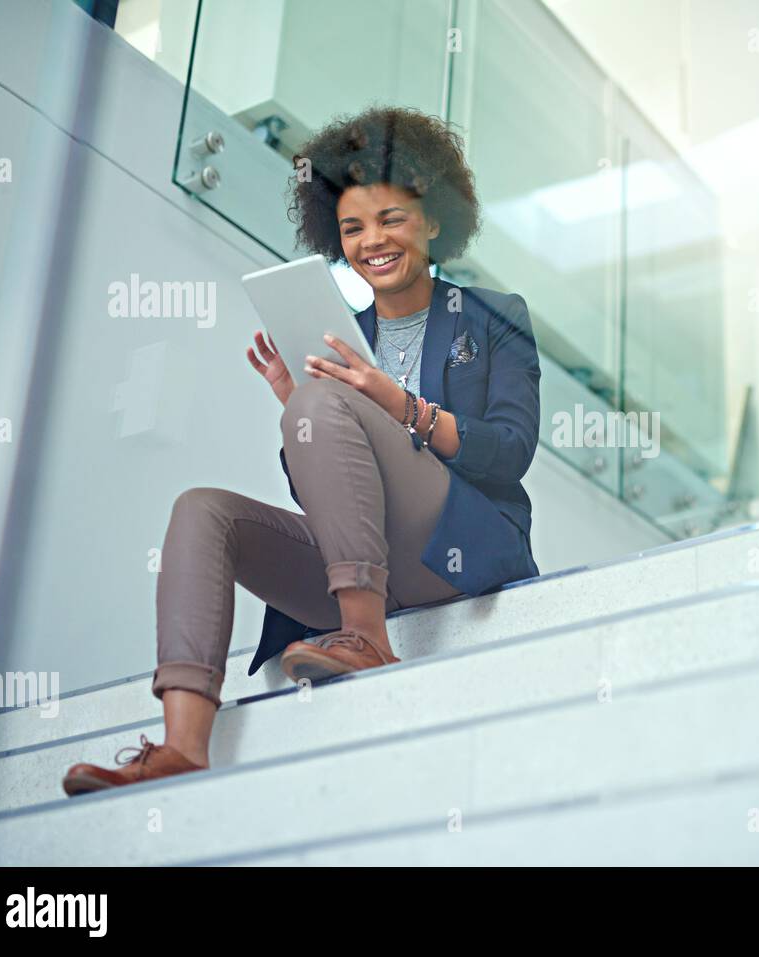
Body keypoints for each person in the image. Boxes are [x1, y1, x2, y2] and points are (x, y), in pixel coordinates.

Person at [62, 106, 540, 795]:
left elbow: (510, 449)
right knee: (203, 509)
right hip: (372, 554)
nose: (371, 240)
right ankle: (184, 744)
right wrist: (301, 407)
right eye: (352, 228)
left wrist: (395, 404)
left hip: (459, 542)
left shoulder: (496, 319)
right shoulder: (343, 336)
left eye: (391, 219)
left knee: (326, 401)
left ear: (433, 220)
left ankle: (367, 636)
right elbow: (330, 489)